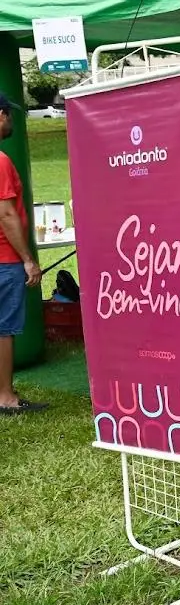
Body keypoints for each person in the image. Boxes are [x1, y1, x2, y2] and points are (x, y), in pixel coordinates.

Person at [0, 92, 44, 417]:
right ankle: (6, 397)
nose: (10, 121)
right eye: (9, 115)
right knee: (5, 329)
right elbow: (6, 214)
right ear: (1, 116)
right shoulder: (1, 161)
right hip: (4, 260)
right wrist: (28, 259)